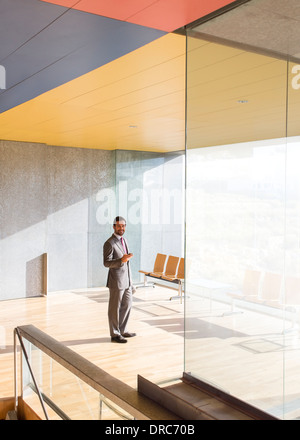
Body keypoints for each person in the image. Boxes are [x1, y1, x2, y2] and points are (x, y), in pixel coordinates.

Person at [103, 216, 136, 343]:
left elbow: (127, 263)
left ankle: (123, 330)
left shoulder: (124, 240)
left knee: (127, 305)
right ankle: (115, 334)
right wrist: (120, 260)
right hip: (116, 281)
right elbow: (106, 263)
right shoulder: (109, 243)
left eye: (123, 226)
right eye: (119, 226)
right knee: (114, 308)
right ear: (114, 226)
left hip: (127, 281)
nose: (121, 228)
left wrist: (131, 282)